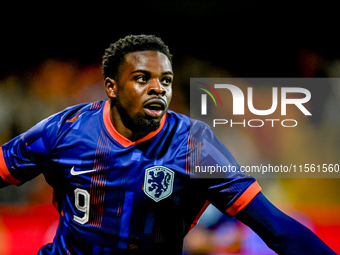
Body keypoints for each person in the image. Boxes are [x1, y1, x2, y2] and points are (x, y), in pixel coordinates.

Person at [0, 35, 336, 255]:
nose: (158, 88)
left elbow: (275, 227)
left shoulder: (194, 145)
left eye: (166, 80)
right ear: (111, 87)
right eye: (143, 78)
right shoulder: (65, 130)